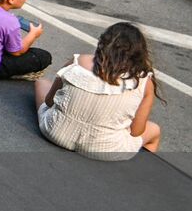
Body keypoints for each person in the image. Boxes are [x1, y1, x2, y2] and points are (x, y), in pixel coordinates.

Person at [35, 22, 161, 159]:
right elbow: (136, 131)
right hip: (106, 150)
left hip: (56, 133)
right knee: (154, 130)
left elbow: (49, 101)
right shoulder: (143, 82)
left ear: (103, 43)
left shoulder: (78, 61)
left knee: (42, 82)